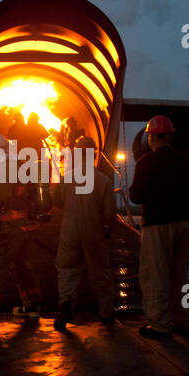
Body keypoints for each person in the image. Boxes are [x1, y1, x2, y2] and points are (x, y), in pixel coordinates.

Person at [127, 115, 189, 339]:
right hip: (184, 225)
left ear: (152, 137)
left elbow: (136, 197)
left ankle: (160, 325)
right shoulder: (185, 162)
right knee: (182, 276)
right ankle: (185, 321)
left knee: (155, 276)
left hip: (157, 226)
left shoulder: (145, 163)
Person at [0, 134, 44, 325]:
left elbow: (1, 192)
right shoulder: (18, 163)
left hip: (12, 228)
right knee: (23, 266)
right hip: (27, 224)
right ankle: (32, 307)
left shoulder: (7, 165)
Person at [53, 135, 117, 330]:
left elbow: (57, 201)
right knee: (100, 271)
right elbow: (109, 213)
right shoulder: (103, 180)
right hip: (94, 232)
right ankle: (106, 313)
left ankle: (65, 307)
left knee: (67, 270)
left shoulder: (68, 177)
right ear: (94, 155)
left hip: (69, 230)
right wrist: (107, 231)